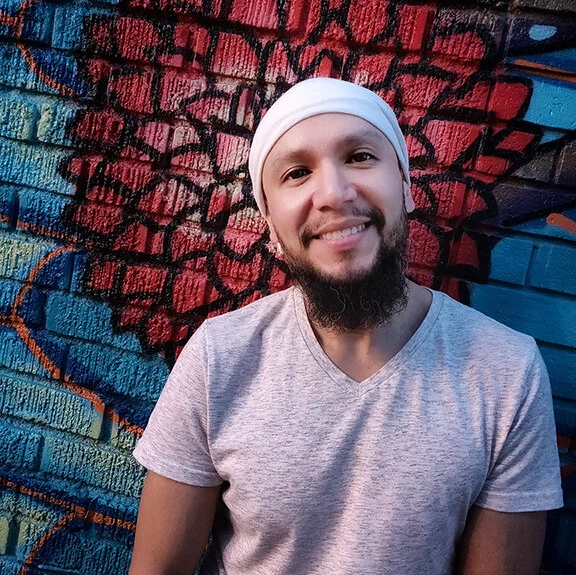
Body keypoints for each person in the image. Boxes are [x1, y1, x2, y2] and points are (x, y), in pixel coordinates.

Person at [129, 78, 563, 575]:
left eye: (360, 157)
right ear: (271, 226)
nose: (334, 194)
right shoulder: (218, 358)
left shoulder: (506, 372)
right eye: (297, 173)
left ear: (405, 187)